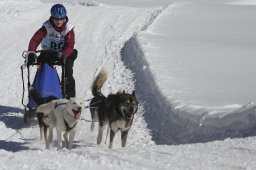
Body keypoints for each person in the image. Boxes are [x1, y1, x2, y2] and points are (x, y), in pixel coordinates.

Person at [27, 4, 77, 99]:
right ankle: (38, 97)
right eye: (56, 19)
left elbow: (70, 46)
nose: (59, 21)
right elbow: (35, 40)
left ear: (64, 18)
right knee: (43, 69)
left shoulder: (68, 29)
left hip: (67, 53)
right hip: (50, 52)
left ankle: (70, 99)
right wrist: (31, 53)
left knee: (67, 72)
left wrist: (64, 55)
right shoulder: (46, 27)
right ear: (52, 18)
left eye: (61, 19)